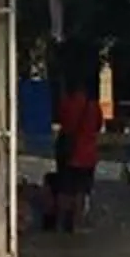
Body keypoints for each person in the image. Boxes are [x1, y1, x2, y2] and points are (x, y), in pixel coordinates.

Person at [53, 76, 103, 233]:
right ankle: (77, 223)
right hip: (87, 154)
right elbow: (98, 126)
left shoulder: (67, 103)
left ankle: (61, 222)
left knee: (65, 189)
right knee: (81, 190)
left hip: (68, 152)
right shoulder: (93, 106)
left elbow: (62, 121)